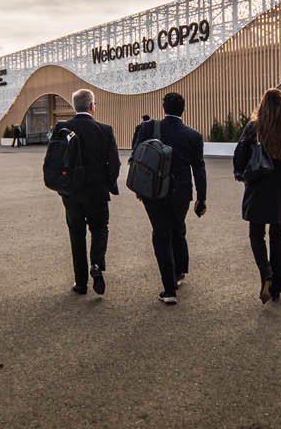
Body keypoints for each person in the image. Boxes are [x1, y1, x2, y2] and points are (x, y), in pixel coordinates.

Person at [232, 88, 281, 304]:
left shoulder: (254, 128)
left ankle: (266, 273)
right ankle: (277, 287)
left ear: (263, 106)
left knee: (256, 234)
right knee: (278, 236)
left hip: (258, 186)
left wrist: (243, 176)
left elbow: (240, 157)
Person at [131, 92, 207, 305]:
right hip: (181, 192)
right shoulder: (193, 136)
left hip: (154, 192)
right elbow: (199, 169)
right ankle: (180, 271)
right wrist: (202, 198)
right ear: (183, 110)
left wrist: (139, 187)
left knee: (161, 233)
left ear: (163, 107)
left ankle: (169, 288)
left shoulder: (148, 128)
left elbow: (137, 158)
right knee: (177, 227)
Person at [54, 89, 121, 296]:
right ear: (92, 106)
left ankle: (81, 283)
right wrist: (108, 183)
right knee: (100, 229)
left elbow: (55, 160)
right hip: (97, 191)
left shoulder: (62, 128)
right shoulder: (105, 130)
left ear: (76, 106)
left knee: (77, 235)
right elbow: (115, 164)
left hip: (71, 193)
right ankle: (97, 264)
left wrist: (62, 185)